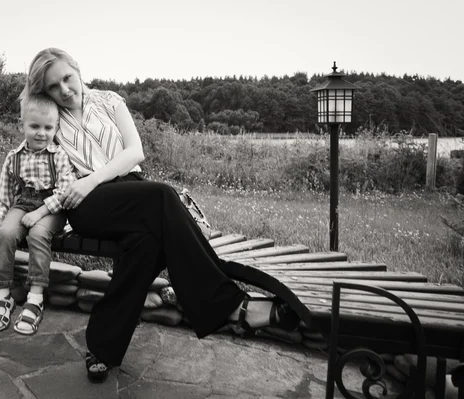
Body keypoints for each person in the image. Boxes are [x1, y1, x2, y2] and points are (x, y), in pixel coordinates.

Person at [22, 48, 299, 383]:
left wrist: (95, 177)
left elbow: (135, 152)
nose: (65, 90)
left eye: (67, 78)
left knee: (146, 244)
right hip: (86, 202)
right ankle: (233, 306)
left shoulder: (110, 101)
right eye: (53, 86)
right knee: (163, 194)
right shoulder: (50, 116)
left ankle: (102, 346)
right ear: (45, 91)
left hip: (129, 192)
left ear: (77, 70)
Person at [0, 93, 76, 335]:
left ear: (55, 127)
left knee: (37, 235)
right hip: (23, 203)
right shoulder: (13, 158)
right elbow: (4, 193)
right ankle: (3, 296)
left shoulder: (58, 156)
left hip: (52, 209)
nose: (41, 133)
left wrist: (39, 213)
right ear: (21, 125)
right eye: (34, 126)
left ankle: (35, 298)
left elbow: (65, 192)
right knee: (5, 232)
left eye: (48, 127)